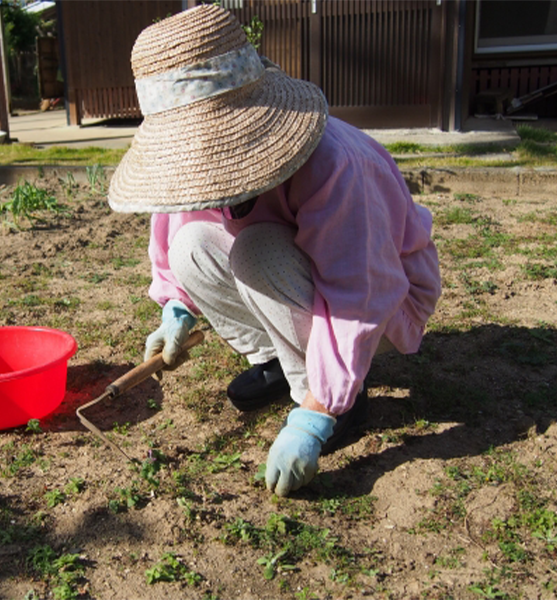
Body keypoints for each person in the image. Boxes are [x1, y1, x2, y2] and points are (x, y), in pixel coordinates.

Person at [107, 4, 441, 496]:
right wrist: (176, 308)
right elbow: (185, 218)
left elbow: (359, 292)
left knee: (257, 251)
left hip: (384, 303)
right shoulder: (203, 168)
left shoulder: (334, 166)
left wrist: (318, 411)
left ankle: (332, 398)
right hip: (301, 276)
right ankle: (275, 360)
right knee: (192, 246)